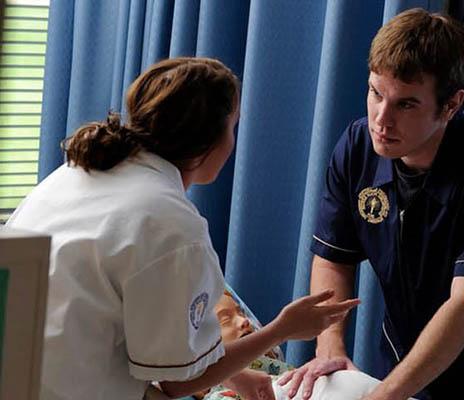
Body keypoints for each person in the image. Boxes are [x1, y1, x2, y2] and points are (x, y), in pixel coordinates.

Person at [6, 57, 359, 400]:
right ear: (210, 141)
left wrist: (237, 375)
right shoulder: (173, 226)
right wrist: (282, 330)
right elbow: (179, 383)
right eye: (233, 126)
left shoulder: (74, 174)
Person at [280, 8, 464, 400]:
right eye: (375, 93)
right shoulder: (357, 148)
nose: (381, 119)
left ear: (451, 106)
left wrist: (385, 397)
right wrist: (330, 348)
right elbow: (334, 258)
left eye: (406, 105)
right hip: (409, 361)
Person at [195, 290, 381, 400]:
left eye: (240, 313)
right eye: (226, 320)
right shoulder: (221, 394)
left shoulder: (278, 368)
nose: (244, 321)